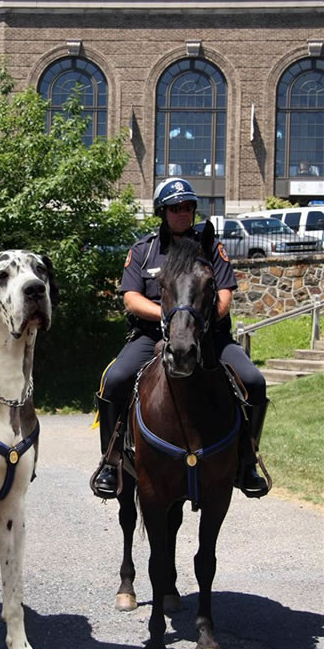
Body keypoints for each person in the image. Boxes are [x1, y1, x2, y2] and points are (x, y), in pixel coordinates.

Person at [91, 177, 269, 500]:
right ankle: (110, 461)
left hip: (208, 335)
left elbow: (225, 296)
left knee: (254, 382)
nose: (183, 213)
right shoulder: (144, 251)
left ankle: (247, 462)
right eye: (175, 208)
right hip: (151, 335)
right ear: (162, 212)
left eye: (188, 207)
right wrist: (170, 318)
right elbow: (130, 298)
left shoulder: (210, 247)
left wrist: (195, 322)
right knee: (114, 379)